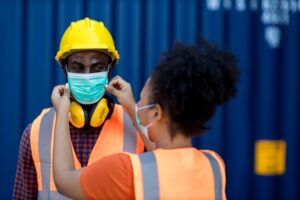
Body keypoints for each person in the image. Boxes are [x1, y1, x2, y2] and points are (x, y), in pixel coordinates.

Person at [51, 41, 240, 199]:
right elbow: (167, 157)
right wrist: (132, 106)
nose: (137, 105)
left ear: (156, 113)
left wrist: (62, 112)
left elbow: (63, 178)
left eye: (141, 99)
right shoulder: (214, 165)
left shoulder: (126, 170)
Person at [13, 17, 145, 199]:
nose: (87, 76)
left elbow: (167, 172)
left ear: (110, 68)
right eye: (77, 67)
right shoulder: (36, 132)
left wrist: (134, 110)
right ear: (65, 68)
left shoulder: (137, 127)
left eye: (97, 67)